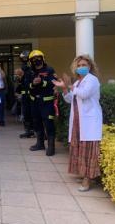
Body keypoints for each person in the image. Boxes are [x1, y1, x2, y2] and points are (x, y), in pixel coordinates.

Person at [53, 55, 102, 191]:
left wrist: (69, 85)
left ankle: (88, 179)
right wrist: (64, 89)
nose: (81, 67)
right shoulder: (77, 83)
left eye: (84, 65)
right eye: (79, 65)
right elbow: (70, 99)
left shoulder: (92, 80)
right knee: (80, 148)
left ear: (90, 66)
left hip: (89, 120)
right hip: (78, 120)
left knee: (88, 150)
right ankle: (84, 174)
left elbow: (85, 94)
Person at [28, 50, 57, 156]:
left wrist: (42, 82)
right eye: (33, 59)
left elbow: (53, 83)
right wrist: (33, 83)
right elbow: (27, 86)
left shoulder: (49, 70)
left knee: (48, 123)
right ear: (30, 61)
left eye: (38, 58)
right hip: (35, 102)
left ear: (43, 58)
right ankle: (40, 144)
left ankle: (51, 146)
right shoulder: (30, 72)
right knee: (36, 123)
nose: (36, 60)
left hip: (47, 102)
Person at [18, 51, 35, 138]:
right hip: (25, 94)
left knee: (33, 112)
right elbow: (22, 81)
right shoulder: (24, 68)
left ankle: (34, 130)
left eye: (25, 58)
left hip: (32, 93)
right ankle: (28, 130)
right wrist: (20, 77)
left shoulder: (32, 67)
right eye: (22, 59)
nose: (24, 60)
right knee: (26, 112)